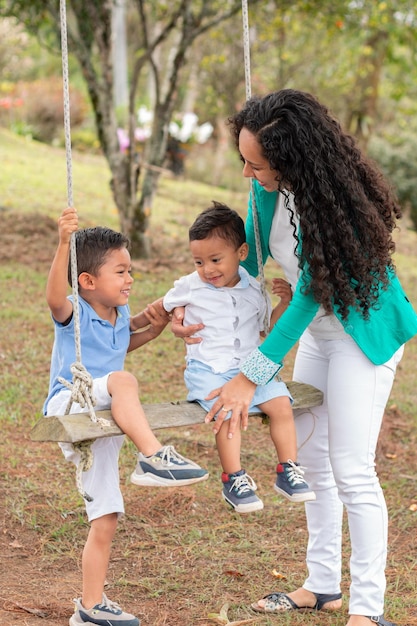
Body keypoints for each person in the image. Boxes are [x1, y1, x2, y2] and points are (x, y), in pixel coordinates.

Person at [172, 90, 417, 626]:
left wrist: (249, 375)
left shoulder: (333, 205)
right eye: (243, 159)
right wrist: (188, 304)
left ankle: (368, 610)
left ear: (291, 160)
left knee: (353, 468)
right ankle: (323, 586)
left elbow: (308, 294)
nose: (246, 173)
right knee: (313, 463)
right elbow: (246, 262)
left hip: (362, 336)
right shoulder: (266, 194)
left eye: (255, 163)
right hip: (316, 336)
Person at [43, 207, 208, 626]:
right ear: (88, 281)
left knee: (106, 517)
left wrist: (157, 324)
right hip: (72, 404)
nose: (129, 278)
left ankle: (90, 607)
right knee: (124, 381)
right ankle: (153, 455)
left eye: (129, 270)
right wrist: (64, 242)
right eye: (120, 271)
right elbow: (53, 298)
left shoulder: (118, 319)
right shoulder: (75, 314)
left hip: (105, 426)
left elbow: (127, 342)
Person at [163, 201, 315, 514]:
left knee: (282, 407)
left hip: (251, 369)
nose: (207, 270)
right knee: (227, 411)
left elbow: (267, 330)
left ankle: (288, 469)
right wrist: (176, 315)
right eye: (199, 262)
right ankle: (233, 477)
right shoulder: (190, 286)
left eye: (216, 259)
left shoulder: (254, 290)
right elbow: (167, 303)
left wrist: (285, 303)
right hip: (210, 369)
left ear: (241, 253)